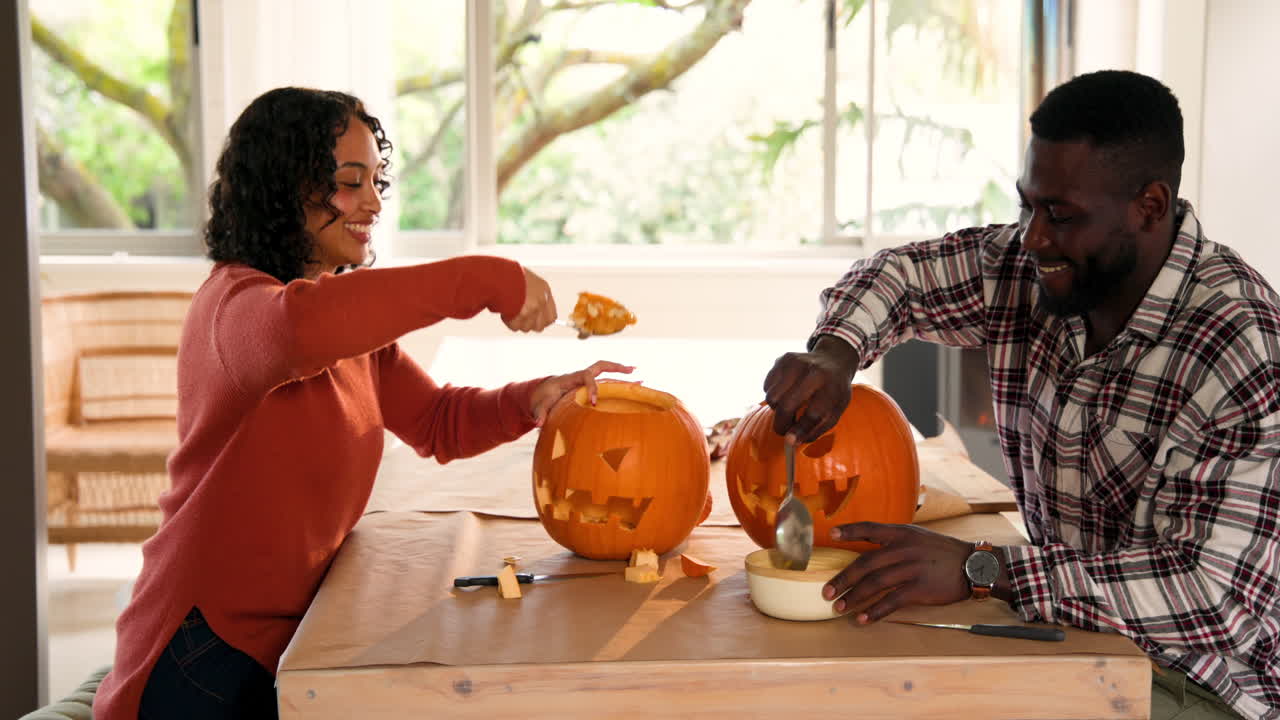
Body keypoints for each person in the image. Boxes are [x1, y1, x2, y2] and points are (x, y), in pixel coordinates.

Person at [94, 87, 631, 719]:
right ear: (280, 186)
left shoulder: (346, 332)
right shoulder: (234, 309)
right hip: (204, 648)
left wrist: (532, 399)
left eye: (377, 180)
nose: (373, 203)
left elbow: (438, 422)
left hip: (292, 641)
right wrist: (489, 278)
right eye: (350, 182)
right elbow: (299, 331)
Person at [764, 70, 1280, 720]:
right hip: (1064, 636)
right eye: (1027, 205)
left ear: (1150, 206)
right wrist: (833, 355)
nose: (1033, 238)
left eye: (1060, 215)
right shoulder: (1033, 267)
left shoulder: (1240, 344)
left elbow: (1212, 602)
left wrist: (986, 571)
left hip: (1197, 683)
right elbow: (899, 277)